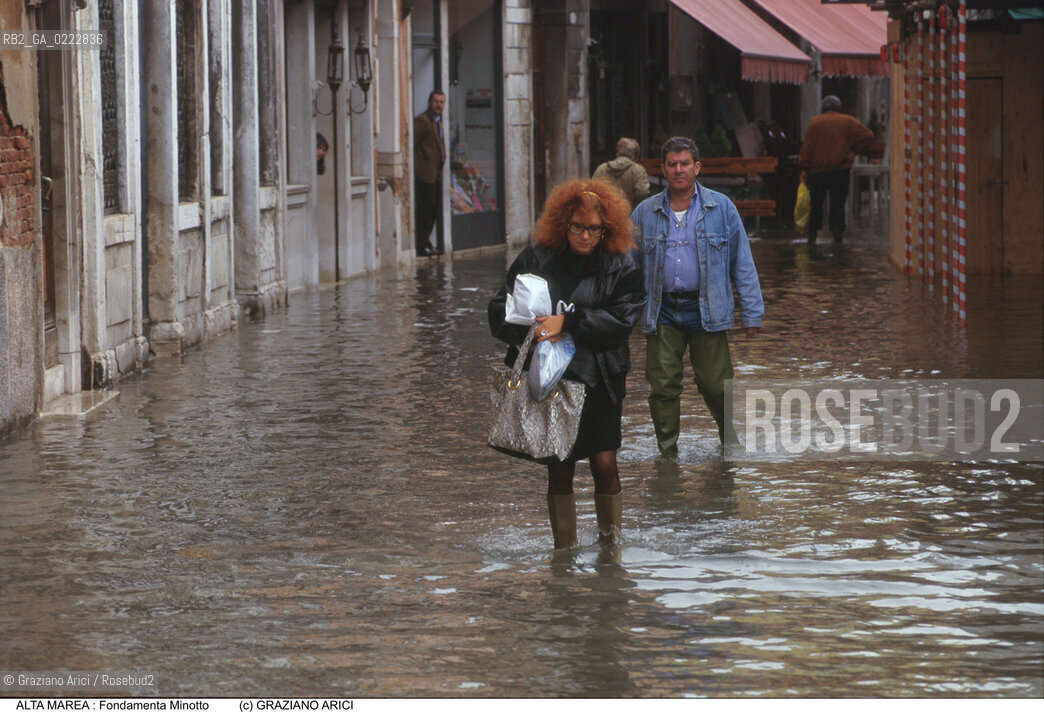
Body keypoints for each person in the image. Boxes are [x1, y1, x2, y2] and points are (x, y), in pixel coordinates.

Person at [488, 179, 644, 549]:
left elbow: (623, 321)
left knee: (605, 464)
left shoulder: (620, 266)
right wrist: (533, 328)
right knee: (559, 467)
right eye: (577, 227)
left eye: (594, 229)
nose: (585, 236)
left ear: (607, 229)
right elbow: (499, 310)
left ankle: (611, 549)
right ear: (563, 223)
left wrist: (569, 322)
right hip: (552, 380)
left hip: (600, 378)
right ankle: (564, 553)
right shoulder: (536, 257)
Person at [631, 136, 764, 459]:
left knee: (717, 384)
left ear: (697, 167)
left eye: (685, 163)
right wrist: (620, 315)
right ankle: (667, 455)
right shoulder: (645, 212)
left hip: (708, 309)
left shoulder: (722, 208)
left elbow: (742, 263)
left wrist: (751, 313)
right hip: (661, 310)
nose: (679, 170)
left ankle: (729, 442)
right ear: (663, 169)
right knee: (663, 385)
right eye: (672, 164)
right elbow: (625, 267)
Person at [796, 95, 875, 245]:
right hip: (840, 169)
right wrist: (853, 151)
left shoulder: (815, 122)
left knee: (816, 203)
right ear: (839, 108)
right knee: (838, 204)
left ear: (823, 108)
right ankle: (837, 236)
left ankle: (812, 236)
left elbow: (807, 148)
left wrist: (804, 168)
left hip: (817, 170)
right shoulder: (848, 121)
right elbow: (868, 135)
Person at [414, 90, 446, 256]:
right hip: (424, 174)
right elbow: (413, 144)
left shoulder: (438, 121)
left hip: (436, 173)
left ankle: (426, 241)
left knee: (434, 209)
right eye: (436, 101)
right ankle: (420, 245)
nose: (439, 105)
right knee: (425, 210)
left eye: (441, 102)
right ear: (429, 103)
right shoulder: (423, 121)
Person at [592, 137, 651, 210]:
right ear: (633, 155)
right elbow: (642, 193)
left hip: (606, 214)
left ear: (617, 153)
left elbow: (592, 192)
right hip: (629, 213)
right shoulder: (637, 170)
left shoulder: (602, 168)